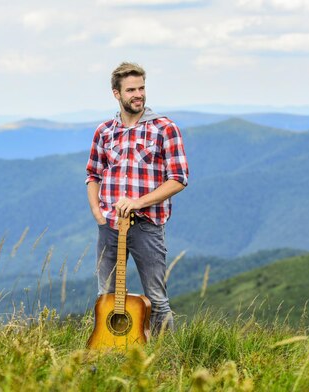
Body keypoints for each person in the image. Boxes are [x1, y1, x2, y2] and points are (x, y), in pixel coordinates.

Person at [85, 62, 189, 334]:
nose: (138, 94)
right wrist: (98, 213)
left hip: (147, 226)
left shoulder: (164, 129)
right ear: (116, 94)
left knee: (156, 299)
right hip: (109, 226)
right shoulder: (105, 131)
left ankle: (167, 358)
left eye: (141, 88)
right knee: (105, 297)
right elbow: (93, 174)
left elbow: (179, 178)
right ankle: (107, 353)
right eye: (131, 89)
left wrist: (139, 202)